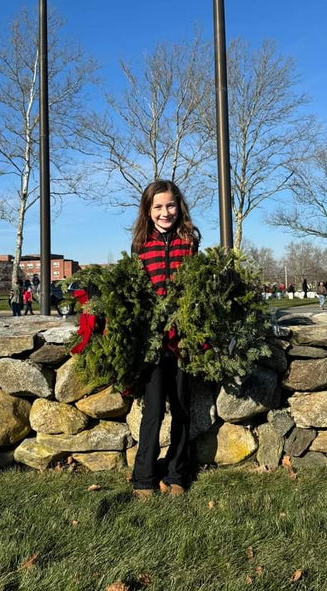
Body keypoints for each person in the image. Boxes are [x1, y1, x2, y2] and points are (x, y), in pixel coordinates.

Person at [131, 179, 200, 499]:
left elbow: (197, 284)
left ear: (179, 206)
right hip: (154, 343)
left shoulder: (190, 240)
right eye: (157, 206)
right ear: (147, 210)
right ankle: (143, 476)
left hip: (184, 341)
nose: (165, 212)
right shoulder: (142, 244)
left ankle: (176, 473)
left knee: (182, 409)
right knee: (154, 410)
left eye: (170, 205)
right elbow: (136, 292)